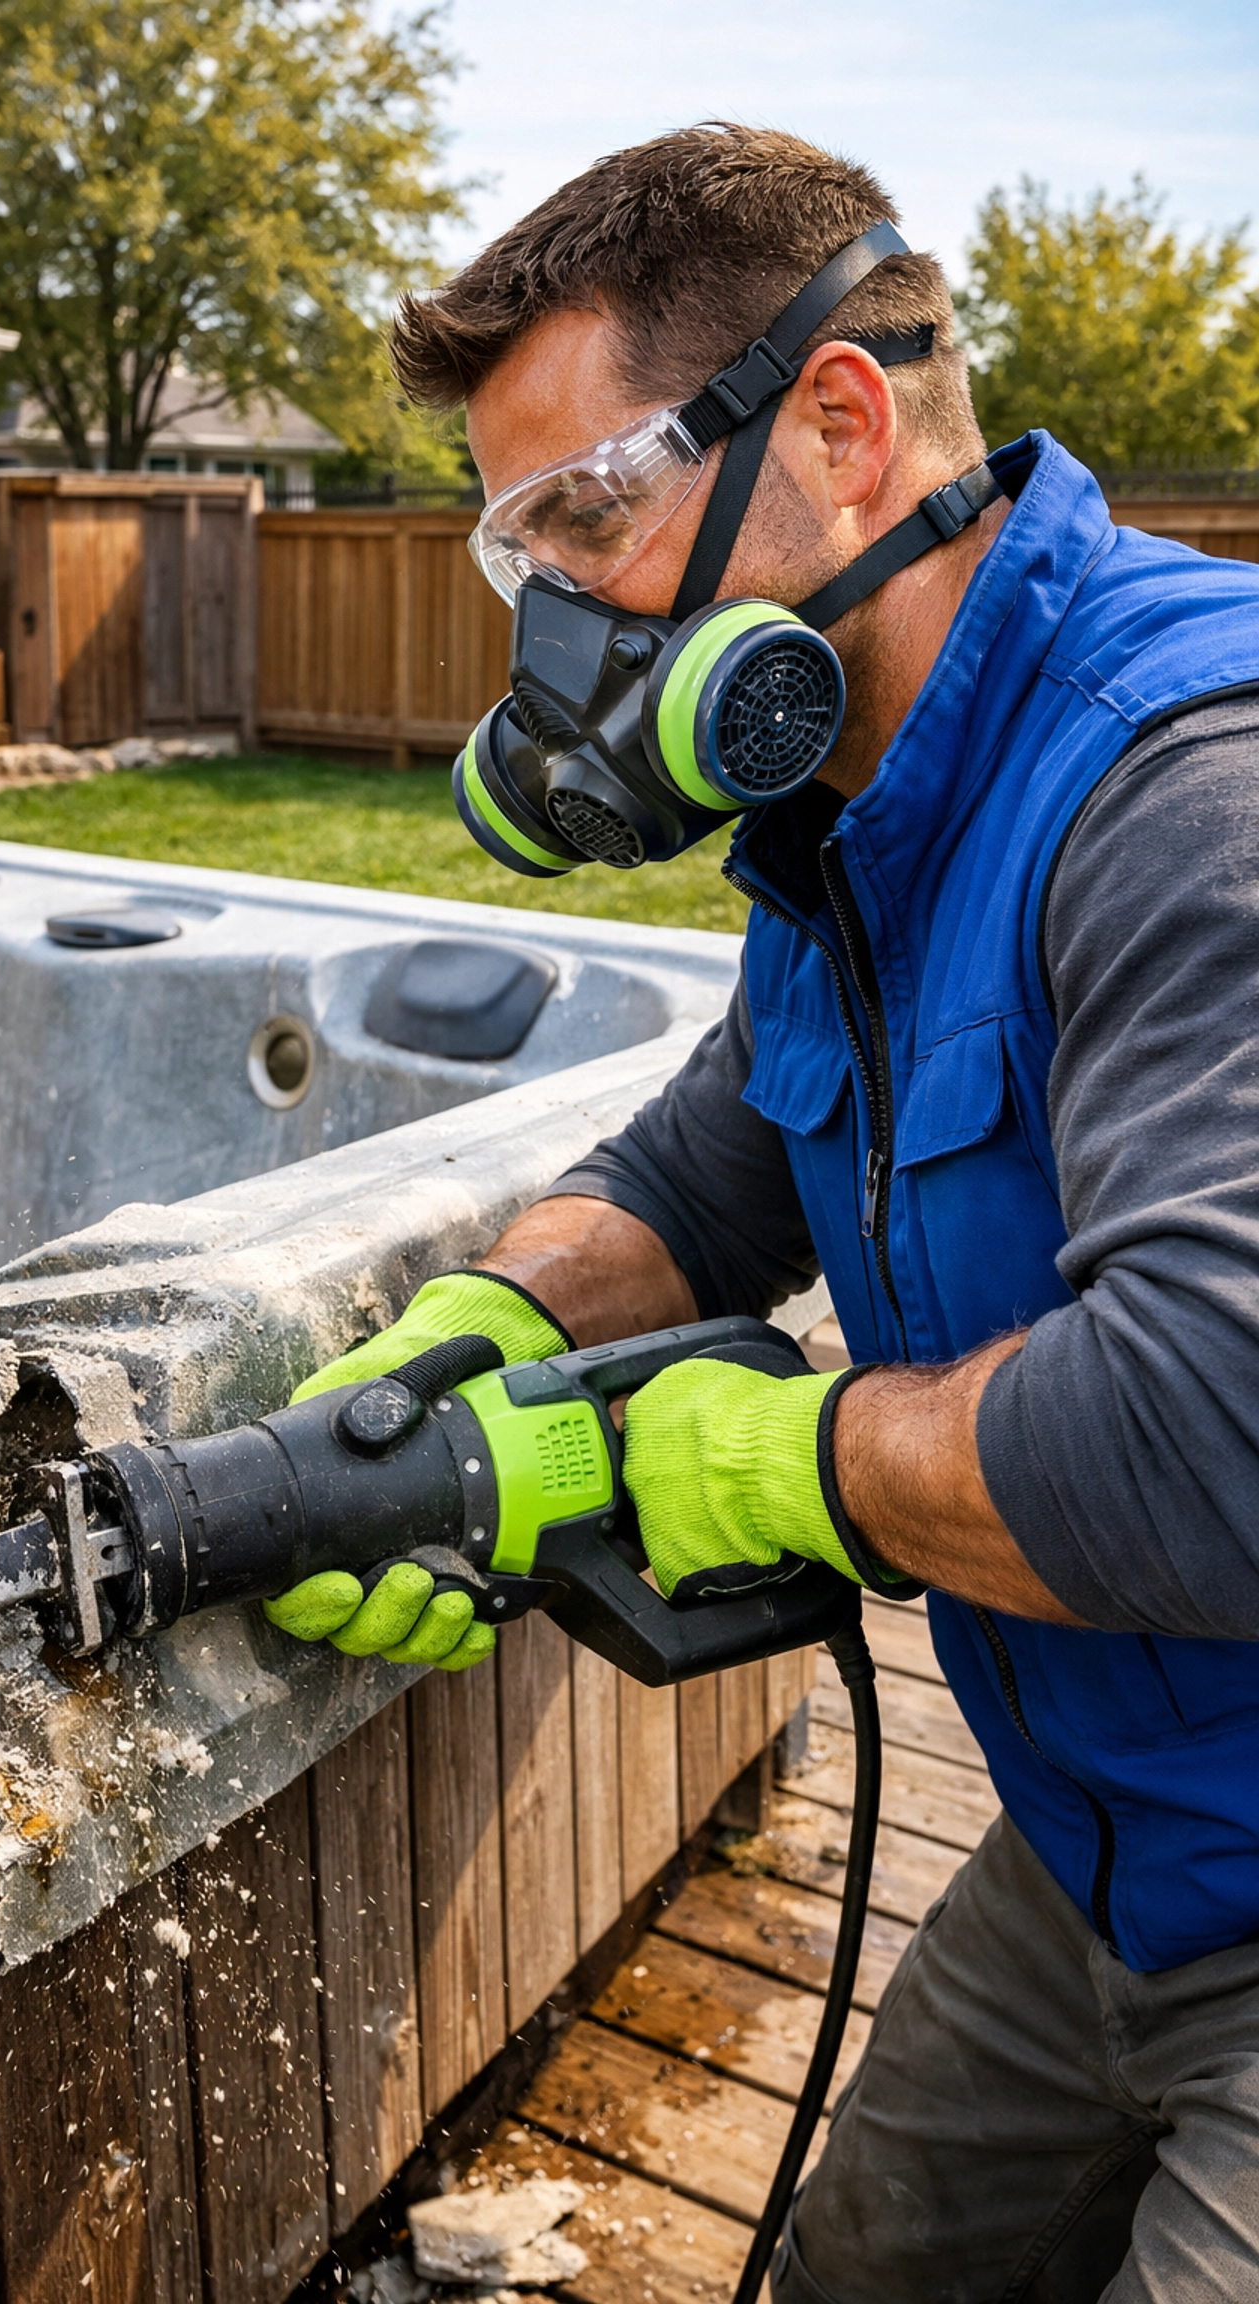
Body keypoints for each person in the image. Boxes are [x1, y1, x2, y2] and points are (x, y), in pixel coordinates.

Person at [264, 126, 1259, 2300]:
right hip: (1112, 1858)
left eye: (588, 516)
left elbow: (1222, 1434)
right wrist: (475, 1346)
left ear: (839, 422)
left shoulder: (1197, 792)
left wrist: (788, 1460)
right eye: (513, 548)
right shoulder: (856, 814)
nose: (556, 625)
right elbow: (715, 1167)